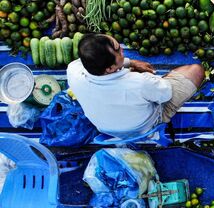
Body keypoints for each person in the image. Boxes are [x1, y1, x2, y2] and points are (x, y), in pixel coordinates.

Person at [66, 33, 205, 138]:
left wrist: (129, 63)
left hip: (106, 129)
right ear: (110, 68)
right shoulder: (139, 83)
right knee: (196, 70)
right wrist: (153, 79)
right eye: (118, 51)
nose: (121, 48)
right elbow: (165, 93)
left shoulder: (73, 72)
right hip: (144, 127)